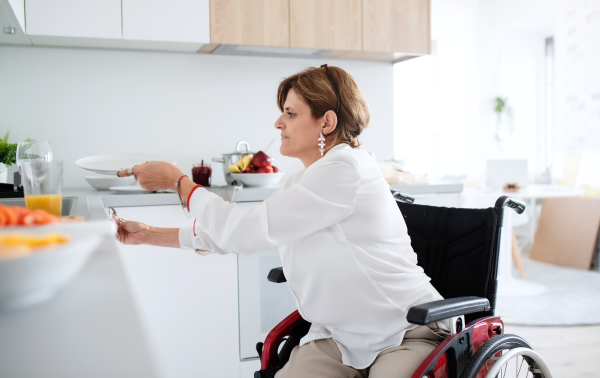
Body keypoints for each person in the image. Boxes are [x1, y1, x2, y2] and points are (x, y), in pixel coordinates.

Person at [114, 64, 449, 378]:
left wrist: (180, 183)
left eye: (290, 113)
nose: (278, 123)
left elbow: (244, 233)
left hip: (405, 329)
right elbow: (228, 234)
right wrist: (148, 234)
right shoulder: (300, 181)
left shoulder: (346, 168)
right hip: (342, 338)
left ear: (326, 122)